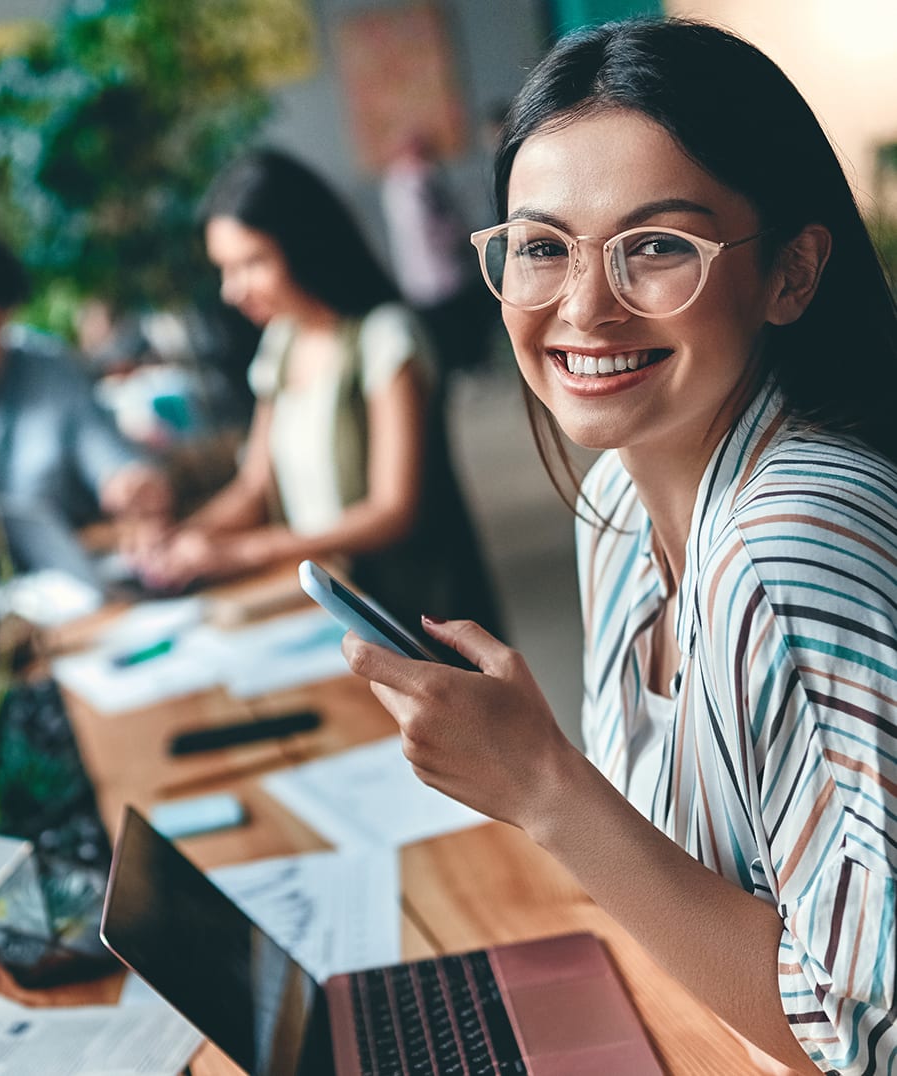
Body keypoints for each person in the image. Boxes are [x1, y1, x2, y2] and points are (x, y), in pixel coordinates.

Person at [342, 17, 897, 1076]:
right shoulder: (616, 507)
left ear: (791, 272)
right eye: (543, 245)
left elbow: (871, 1037)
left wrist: (548, 786)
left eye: (657, 246)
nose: (584, 309)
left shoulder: (794, 543)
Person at [135, 148, 501, 632]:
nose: (231, 290)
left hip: (413, 614)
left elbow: (394, 509)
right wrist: (181, 538)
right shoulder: (281, 340)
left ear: (304, 245)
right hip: (331, 608)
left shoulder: (386, 337)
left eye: (252, 263)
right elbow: (254, 485)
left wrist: (245, 550)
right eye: (224, 268)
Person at [0, 240, 173, 553]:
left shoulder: (49, 370)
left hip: (62, 582)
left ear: (6, 310)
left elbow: (108, 456)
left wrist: (131, 483)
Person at [379, 134, 498, 373]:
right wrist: (464, 235)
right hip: (444, 274)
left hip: (421, 277)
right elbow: (433, 226)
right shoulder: (420, 179)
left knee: (446, 337)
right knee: (461, 335)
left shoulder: (393, 183)